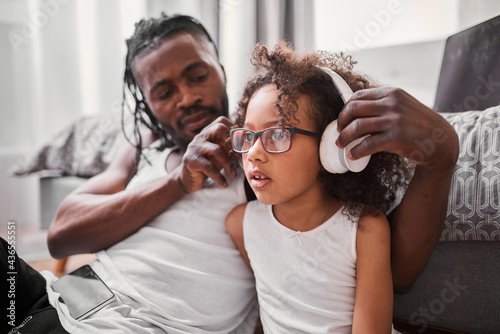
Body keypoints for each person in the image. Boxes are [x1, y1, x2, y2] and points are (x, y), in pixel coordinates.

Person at [2, 13, 458, 333]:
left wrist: (438, 158)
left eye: (197, 75)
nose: (186, 98)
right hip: (58, 297)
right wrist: (177, 180)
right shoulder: (142, 148)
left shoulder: (264, 164)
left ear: (220, 68)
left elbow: (392, 271)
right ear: (146, 103)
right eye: (163, 90)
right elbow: (62, 234)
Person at [225, 41, 414, 333]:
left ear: (333, 144)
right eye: (248, 136)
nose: (253, 153)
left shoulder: (365, 230)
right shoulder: (241, 225)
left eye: (277, 134)